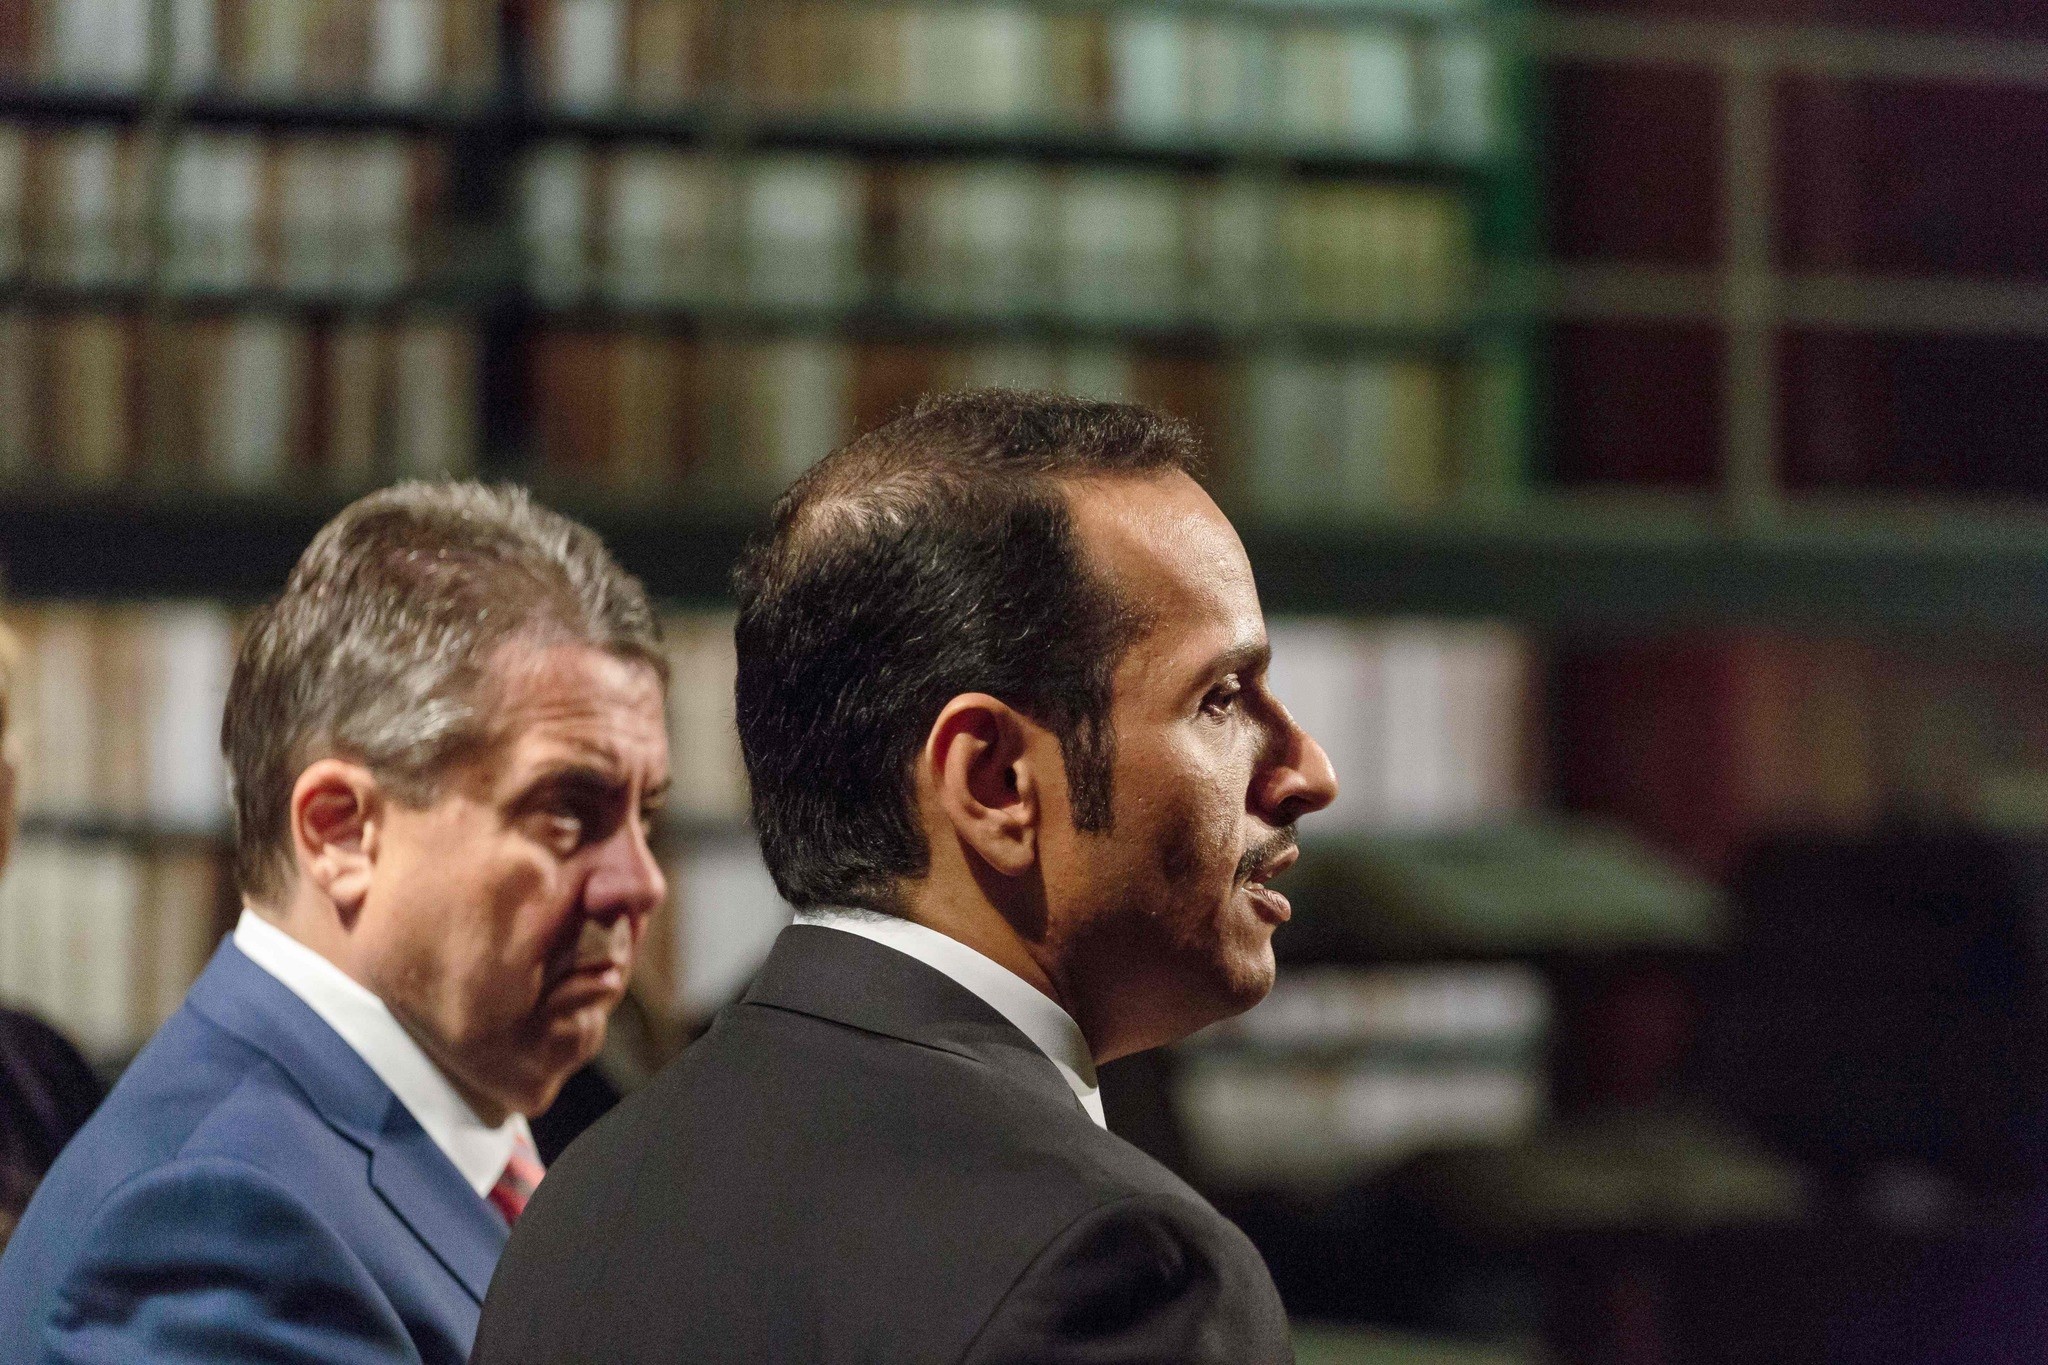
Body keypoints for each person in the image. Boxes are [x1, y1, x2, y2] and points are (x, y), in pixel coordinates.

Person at [474, 390, 1338, 1363]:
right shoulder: (1117, 1265)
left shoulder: (580, 1202)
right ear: (993, 780)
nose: (1307, 769)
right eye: (1219, 698)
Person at [0, 483, 670, 1364]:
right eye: (565, 813)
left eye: (644, 817)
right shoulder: (217, 1227)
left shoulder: (454, 1138)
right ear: (339, 831)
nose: (640, 881)